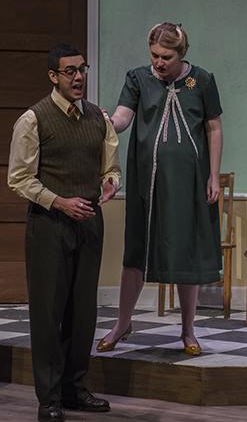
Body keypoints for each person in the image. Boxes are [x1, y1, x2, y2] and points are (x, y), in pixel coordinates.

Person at [7, 44, 120, 421]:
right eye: (69, 71)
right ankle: (49, 397)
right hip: (50, 225)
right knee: (48, 311)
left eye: (82, 70)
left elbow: (110, 164)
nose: (78, 77)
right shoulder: (33, 119)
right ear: (53, 76)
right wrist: (59, 202)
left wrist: (110, 182)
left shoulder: (97, 117)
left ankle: (75, 388)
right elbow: (19, 179)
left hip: (89, 222)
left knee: (83, 311)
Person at [96, 22, 223, 356]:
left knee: (186, 253)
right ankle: (123, 323)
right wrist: (110, 123)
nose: (158, 62)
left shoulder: (203, 80)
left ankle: (188, 331)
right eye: (154, 55)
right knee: (136, 251)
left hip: (189, 182)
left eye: (166, 56)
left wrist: (213, 176)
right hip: (147, 182)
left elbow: (213, 128)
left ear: (181, 54)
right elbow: (125, 115)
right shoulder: (138, 78)